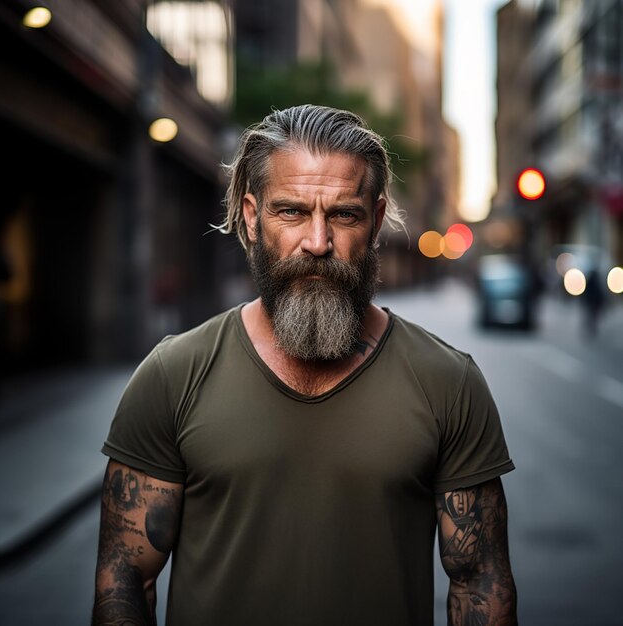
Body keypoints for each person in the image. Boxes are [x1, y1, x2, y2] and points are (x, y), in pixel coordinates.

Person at [93, 104, 517, 626]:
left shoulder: (449, 382)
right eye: (291, 212)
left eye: (344, 214)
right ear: (251, 216)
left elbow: (479, 581)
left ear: (377, 220)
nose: (318, 243)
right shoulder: (172, 375)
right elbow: (124, 579)